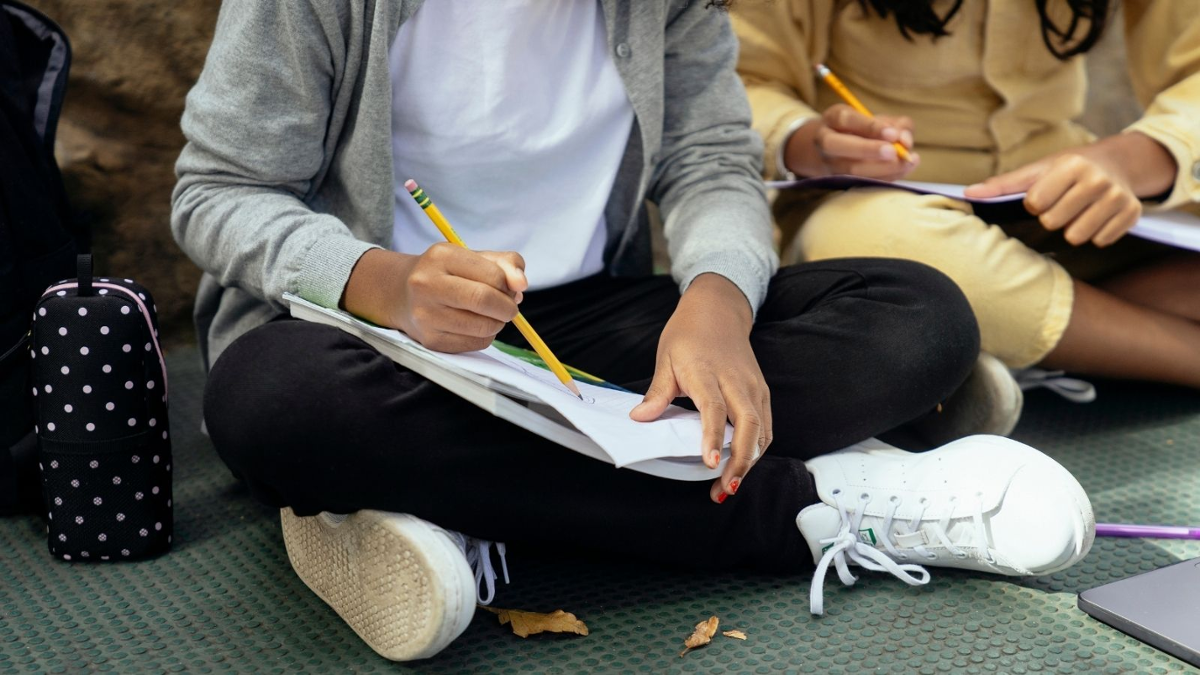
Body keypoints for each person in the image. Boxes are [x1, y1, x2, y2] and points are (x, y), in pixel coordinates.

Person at [173, 0, 1093, 662]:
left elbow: (712, 161)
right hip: (369, 338)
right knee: (276, 402)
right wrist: (385, 282)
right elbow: (216, 192)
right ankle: (814, 507)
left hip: (584, 326)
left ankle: (450, 504)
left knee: (918, 316)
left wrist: (718, 308)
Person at [733, 0, 1200, 403]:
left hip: (1060, 191)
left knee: (917, 305)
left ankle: (984, 349)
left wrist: (1134, 156)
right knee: (884, 247)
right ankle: (1181, 357)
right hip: (884, 203)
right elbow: (736, 80)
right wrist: (808, 139)